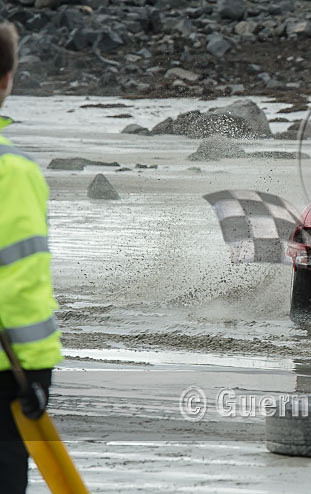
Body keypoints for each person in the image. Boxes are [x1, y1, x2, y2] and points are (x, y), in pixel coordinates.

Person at [0, 21, 63, 494]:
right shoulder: (13, 171)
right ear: (7, 80)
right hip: (9, 369)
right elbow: (19, 282)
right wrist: (32, 374)